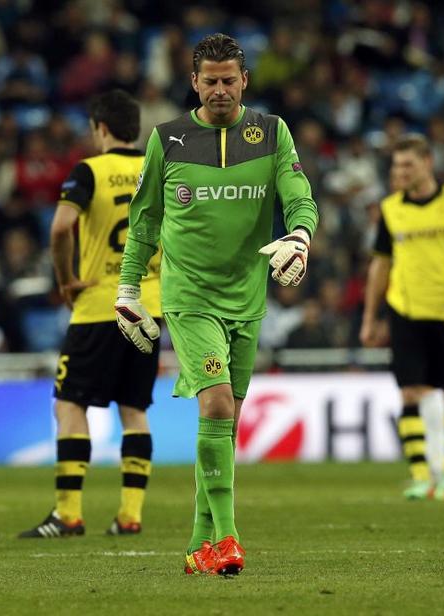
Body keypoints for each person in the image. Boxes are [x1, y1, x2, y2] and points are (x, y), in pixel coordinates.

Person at [115, 34, 318, 575]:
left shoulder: (271, 133)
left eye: (230, 80)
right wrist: (128, 290)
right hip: (190, 296)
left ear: (244, 80)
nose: (221, 90)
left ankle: (197, 544)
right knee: (218, 405)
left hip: (247, 299)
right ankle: (228, 539)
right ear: (194, 82)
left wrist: (299, 236)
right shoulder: (168, 139)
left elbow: (298, 196)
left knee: (224, 425)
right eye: (211, 81)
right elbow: (144, 220)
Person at [19, 90, 162, 538]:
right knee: (134, 408)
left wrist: (66, 279)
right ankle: (130, 515)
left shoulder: (90, 171)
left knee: (69, 403)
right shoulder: (158, 170)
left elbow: (61, 227)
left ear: (100, 127)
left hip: (100, 303)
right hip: (150, 305)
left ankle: (68, 514)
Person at [360, 134, 444, 501]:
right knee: (409, 392)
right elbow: (380, 265)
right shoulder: (391, 209)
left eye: (408, 164)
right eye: (397, 165)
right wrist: (370, 317)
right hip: (406, 311)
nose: (401, 172)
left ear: (428, 162)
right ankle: (421, 476)